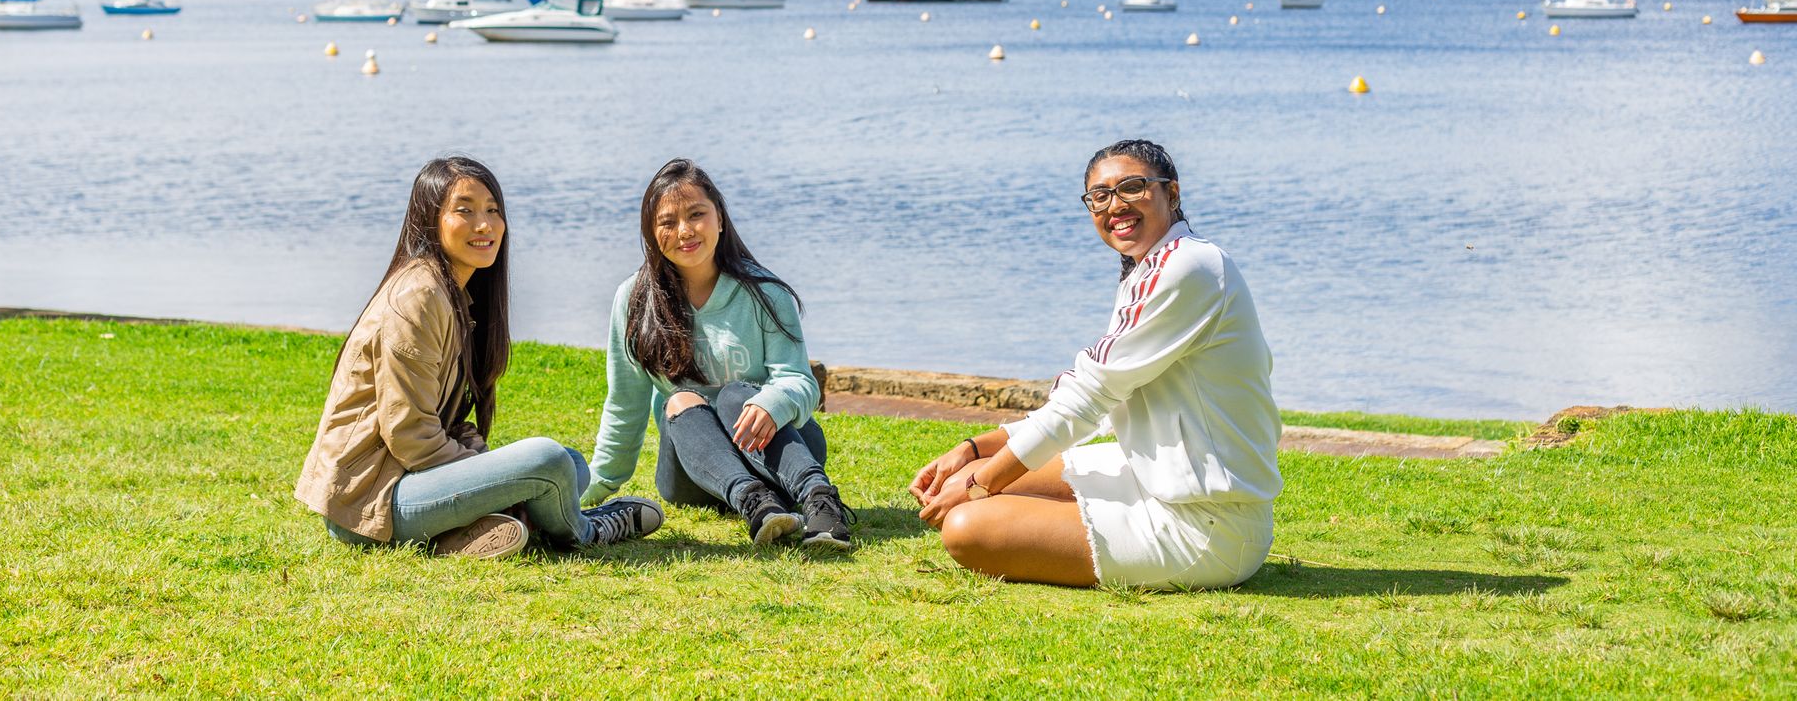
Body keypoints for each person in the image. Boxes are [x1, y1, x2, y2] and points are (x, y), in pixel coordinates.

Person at [910, 139, 1280, 588]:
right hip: (1148, 473)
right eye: (1100, 196)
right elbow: (1090, 397)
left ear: (1172, 193)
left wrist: (980, 486)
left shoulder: (1188, 267)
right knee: (972, 475)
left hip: (1206, 524)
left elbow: (1089, 399)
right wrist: (974, 451)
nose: (1115, 205)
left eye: (1132, 187)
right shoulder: (1150, 267)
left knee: (967, 527)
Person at [296, 155, 664, 558]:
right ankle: (587, 530)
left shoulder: (452, 292)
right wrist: (489, 474)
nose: (484, 225)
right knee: (547, 461)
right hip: (371, 501)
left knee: (571, 465)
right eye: (465, 210)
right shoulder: (418, 296)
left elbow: (446, 423)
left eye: (492, 210)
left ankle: (465, 535)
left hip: (408, 484)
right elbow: (412, 438)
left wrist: (486, 471)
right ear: (430, 219)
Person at [585, 158, 854, 551]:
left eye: (697, 214)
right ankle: (754, 501)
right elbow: (626, 404)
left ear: (720, 219)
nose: (684, 231)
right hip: (694, 475)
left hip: (782, 457)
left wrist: (771, 403)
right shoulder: (634, 300)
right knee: (680, 400)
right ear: (651, 233)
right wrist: (594, 486)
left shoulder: (765, 293)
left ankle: (819, 499)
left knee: (735, 396)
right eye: (668, 222)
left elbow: (800, 381)